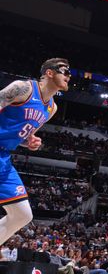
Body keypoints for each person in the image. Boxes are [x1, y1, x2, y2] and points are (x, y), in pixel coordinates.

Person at [0, 58, 70, 247]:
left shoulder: (51, 108)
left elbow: (20, 135)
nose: (69, 77)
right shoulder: (23, 88)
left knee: (22, 214)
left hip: (4, 157)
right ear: (49, 72)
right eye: (65, 71)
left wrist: (29, 142)